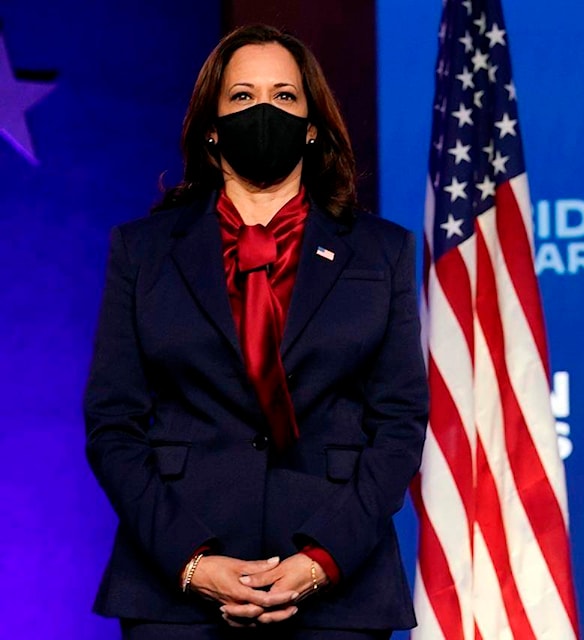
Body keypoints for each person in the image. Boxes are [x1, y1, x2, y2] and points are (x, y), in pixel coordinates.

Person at [84, 24, 427, 640]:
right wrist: (192, 561)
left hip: (336, 592)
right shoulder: (143, 251)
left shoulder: (382, 253)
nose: (264, 110)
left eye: (285, 96)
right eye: (242, 96)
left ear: (313, 123)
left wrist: (320, 560)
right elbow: (113, 422)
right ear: (211, 125)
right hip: (175, 593)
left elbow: (400, 423)